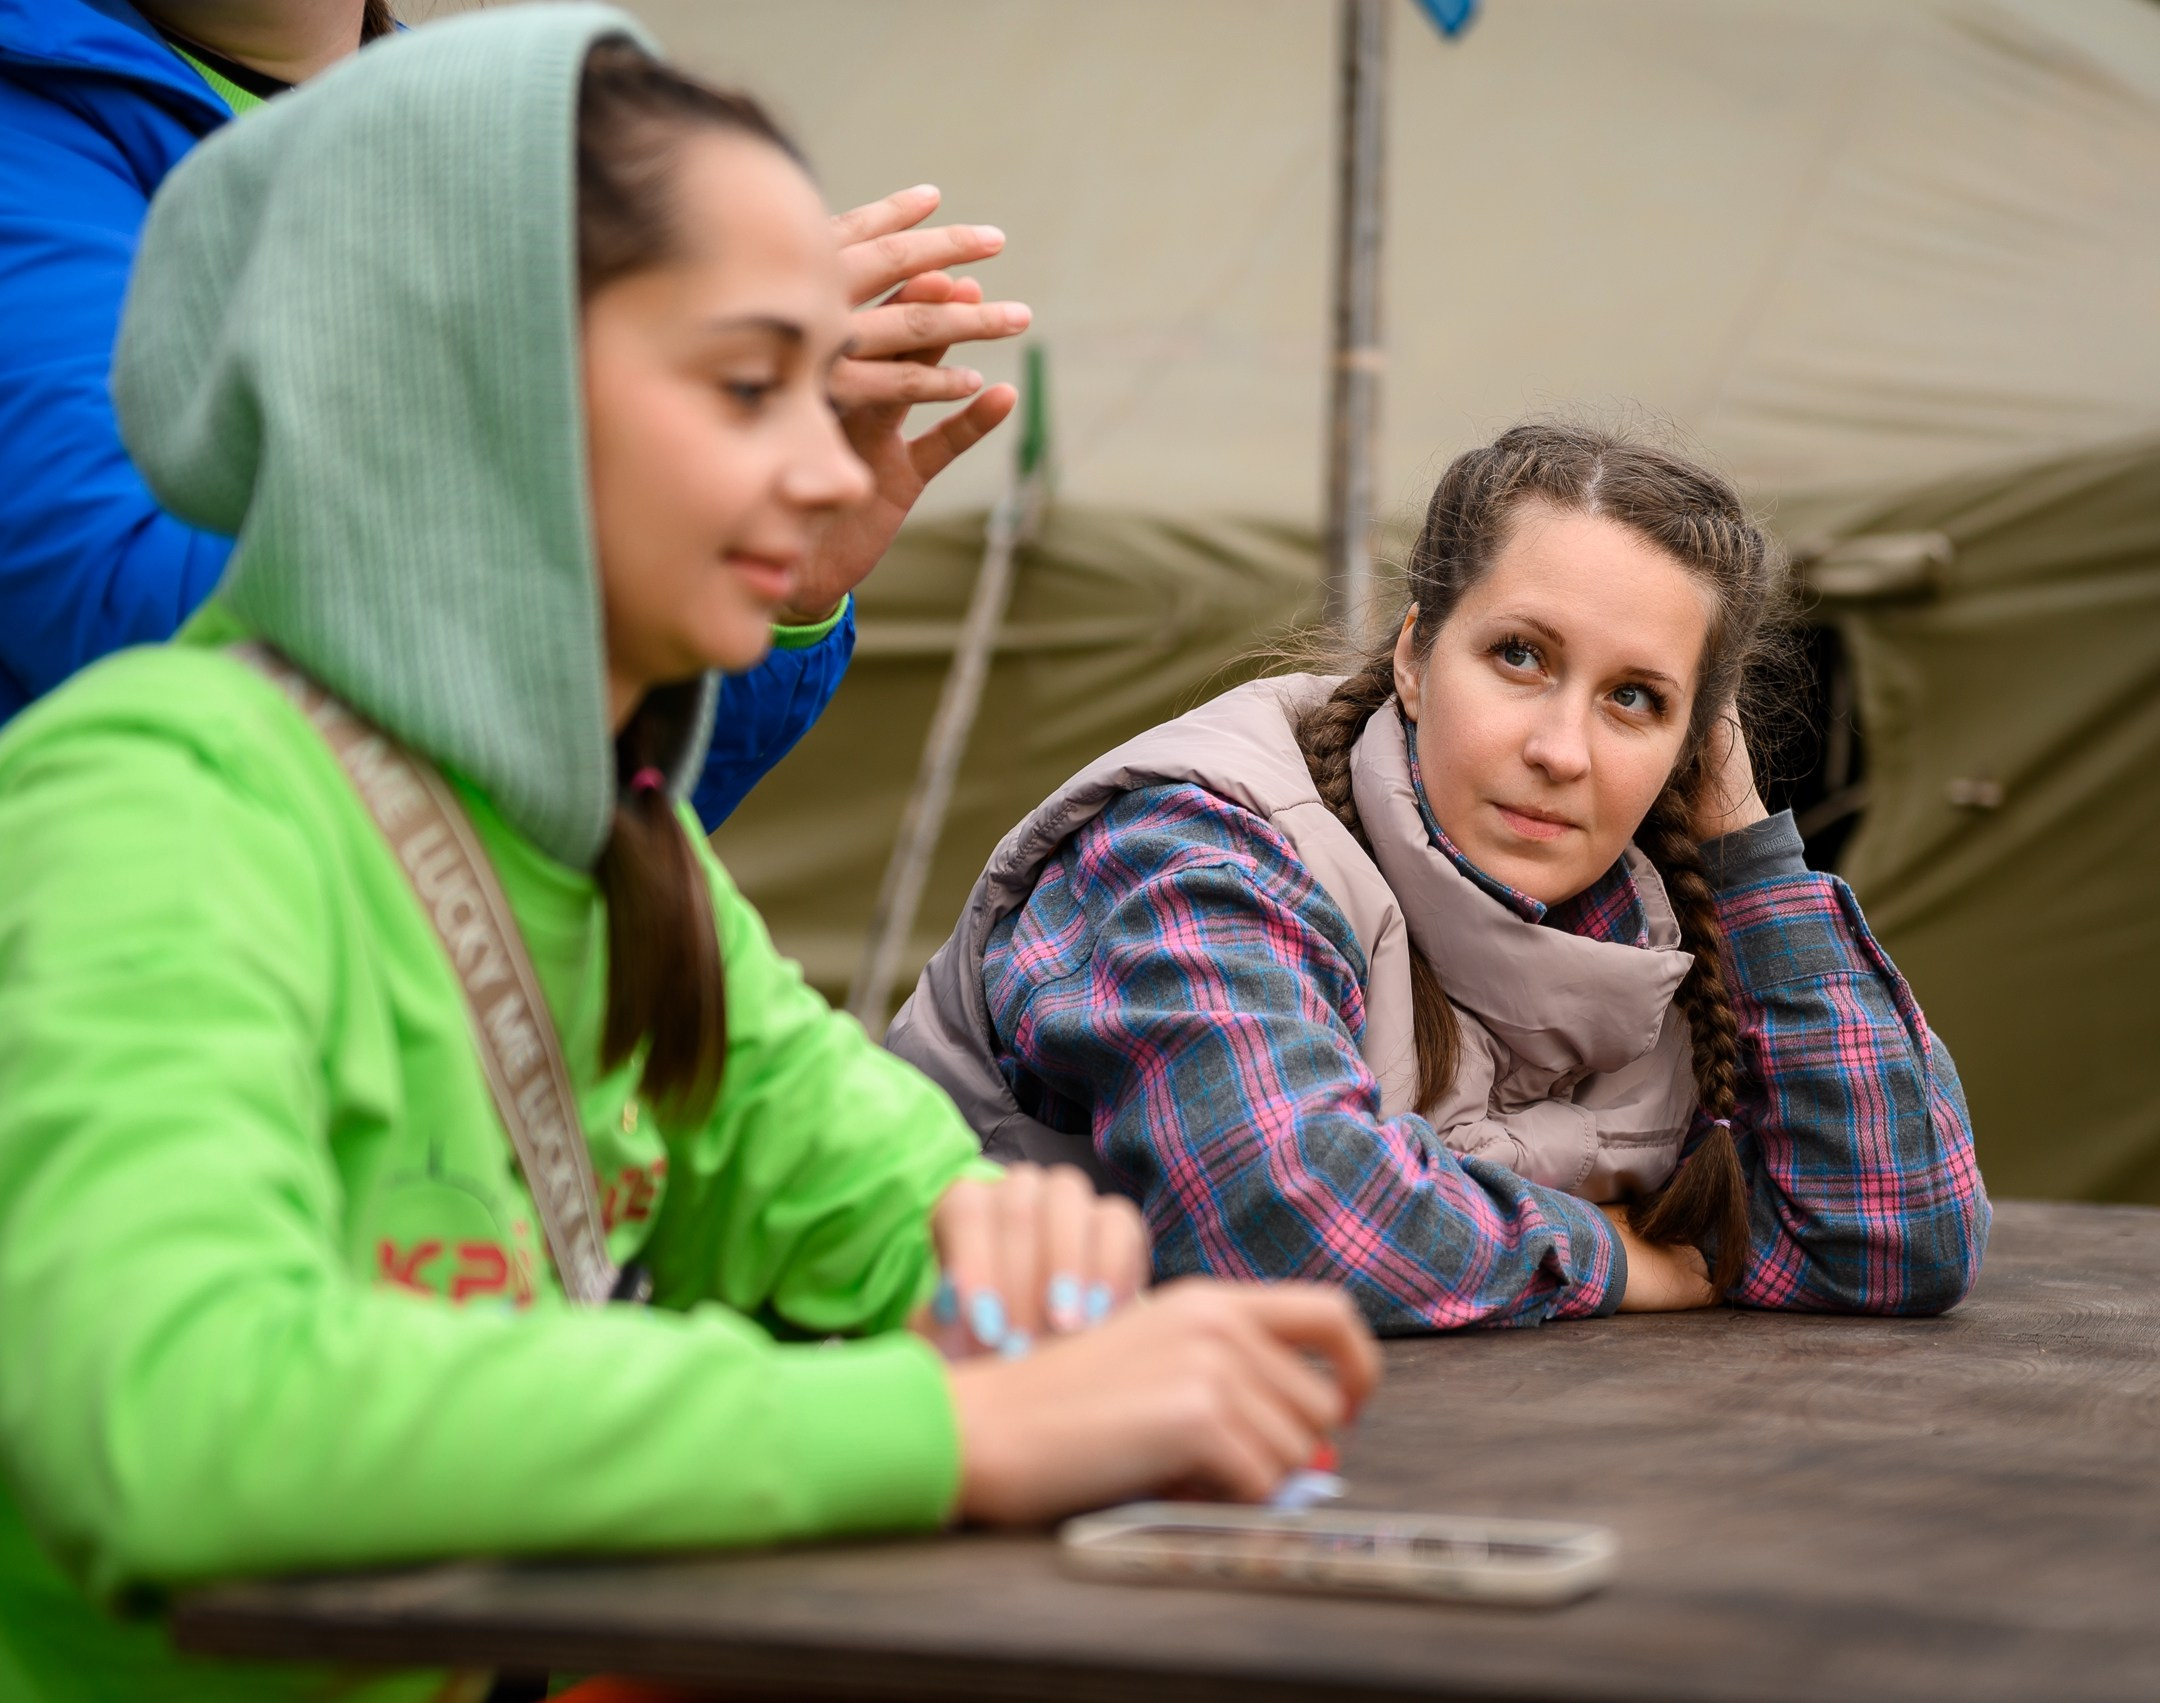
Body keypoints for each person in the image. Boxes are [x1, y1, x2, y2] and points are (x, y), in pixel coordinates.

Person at [0, 14, 1377, 1701]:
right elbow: (173, 1420)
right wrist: (949, 1425)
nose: (825, 466)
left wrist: (1024, 1256)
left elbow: (877, 1188)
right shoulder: (156, 799)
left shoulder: (604, 832)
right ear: (473, 381)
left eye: (820, 388)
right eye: (747, 386)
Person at [889, 423, 1989, 1332]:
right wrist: (1605, 1253)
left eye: (1635, 699)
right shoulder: (1197, 847)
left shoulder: (1652, 934)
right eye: (1521, 655)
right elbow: (1286, 1222)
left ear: (1692, 746)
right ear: (1415, 656)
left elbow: (1895, 1235)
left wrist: (1745, 848)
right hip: (951, 1441)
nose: (1561, 749)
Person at [0, 0, 1026, 826]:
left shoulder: (523, 124)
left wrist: (749, 585)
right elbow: (132, 624)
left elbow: (600, 842)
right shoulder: (33, 133)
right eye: (751, 380)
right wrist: (617, 429)